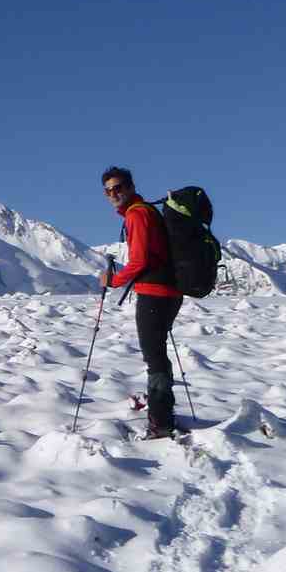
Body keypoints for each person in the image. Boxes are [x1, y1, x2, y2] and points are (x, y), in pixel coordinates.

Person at [98, 166, 183, 438]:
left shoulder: (138, 214)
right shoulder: (145, 212)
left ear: (131, 186)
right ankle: (161, 411)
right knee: (157, 355)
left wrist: (113, 281)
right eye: (109, 190)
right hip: (167, 292)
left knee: (154, 358)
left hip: (155, 293)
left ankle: (160, 423)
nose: (114, 193)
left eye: (119, 187)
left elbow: (140, 261)